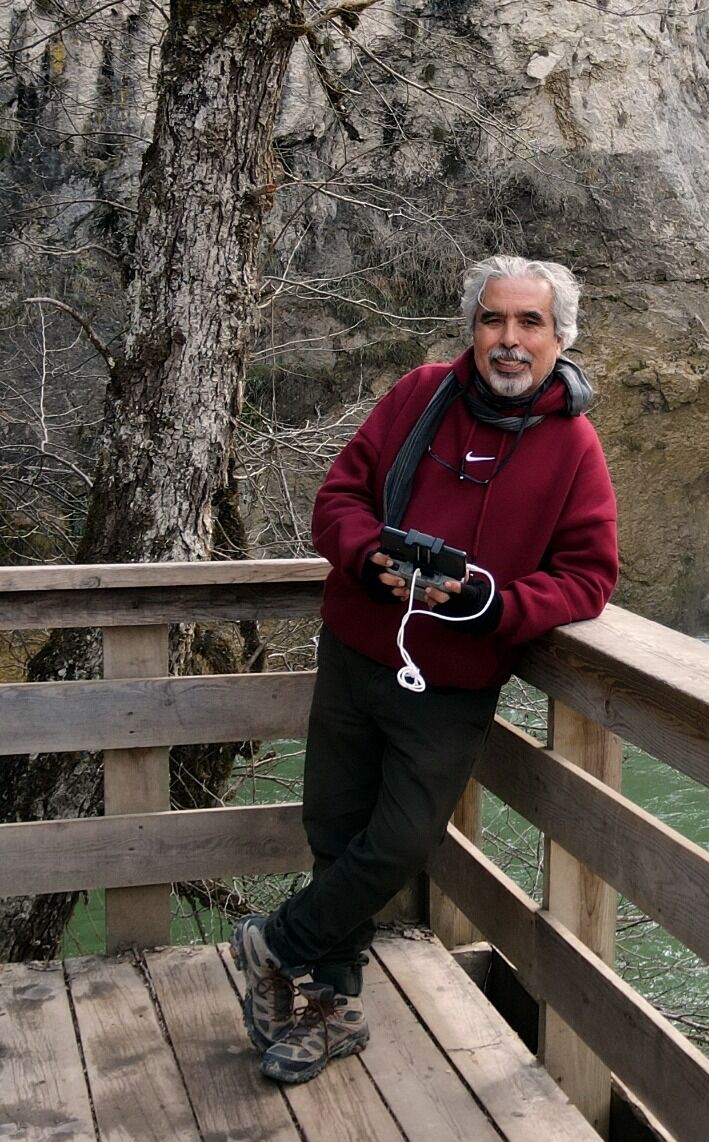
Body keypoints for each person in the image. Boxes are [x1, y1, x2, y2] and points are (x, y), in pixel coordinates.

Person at [229, 254, 619, 1084]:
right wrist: (372, 557)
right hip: (356, 649)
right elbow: (338, 499)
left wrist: (493, 606)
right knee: (334, 833)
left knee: (400, 841)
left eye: (529, 323)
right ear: (471, 327)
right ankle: (332, 1010)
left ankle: (274, 946)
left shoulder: (573, 445)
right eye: (493, 320)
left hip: (451, 680)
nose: (508, 341)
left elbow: (591, 575)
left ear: (560, 338)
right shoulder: (419, 396)